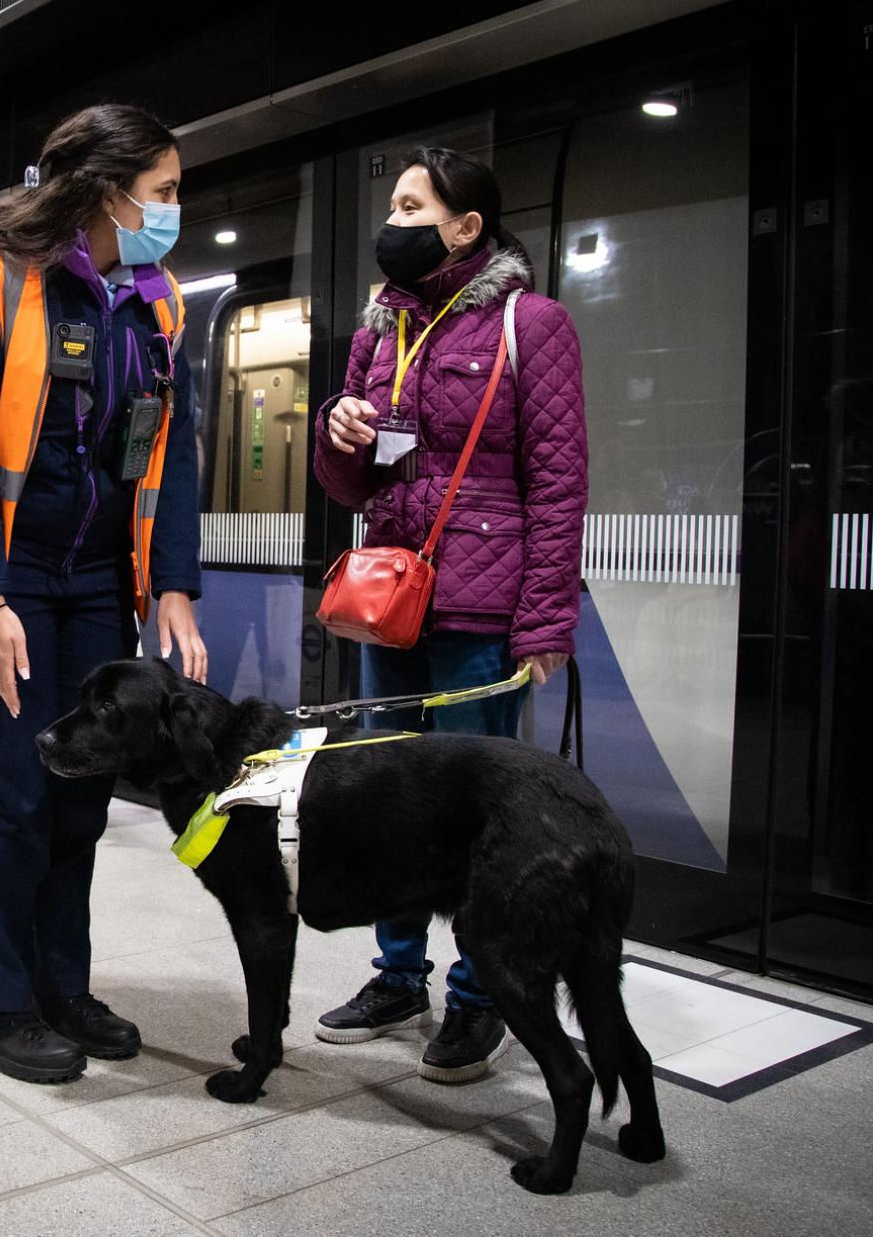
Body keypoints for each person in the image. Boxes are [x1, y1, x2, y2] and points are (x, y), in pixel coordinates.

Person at [0, 103, 206, 1085]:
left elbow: (168, 446)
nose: (173, 209)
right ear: (104, 190)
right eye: (162, 191)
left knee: (80, 793)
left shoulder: (156, 302)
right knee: (14, 790)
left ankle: (58, 985)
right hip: (4, 579)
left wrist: (170, 584)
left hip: (94, 582)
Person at [311, 146, 587, 1083]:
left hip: (482, 609)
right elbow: (352, 479)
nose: (393, 220)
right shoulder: (380, 328)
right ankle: (399, 975)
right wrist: (337, 433)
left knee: (475, 814)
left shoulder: (531, 325)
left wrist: (546, 622)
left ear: (466, 228)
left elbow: (558, 485)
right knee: (387, 797)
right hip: (390, 603)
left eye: (410, 205)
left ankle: (483, 997)